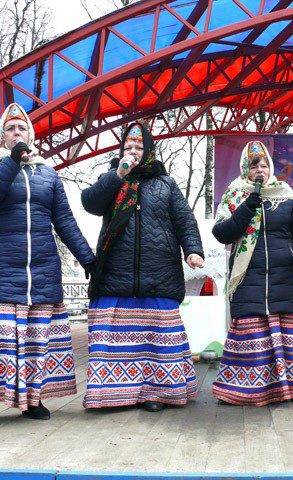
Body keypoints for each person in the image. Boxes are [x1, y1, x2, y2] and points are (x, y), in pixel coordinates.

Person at [0, 103, 95, 423]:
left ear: (30, 135)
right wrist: (11, 162)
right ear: (1, 137)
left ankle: (32, 400)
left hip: (42, 270)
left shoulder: (48, 174)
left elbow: (65, 221)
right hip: (1, 268)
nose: (17, 133)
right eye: (11, 129)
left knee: (36, 340)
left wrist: (88, 258)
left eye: (22, 129)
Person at [81, 122, 204, 412]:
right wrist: (118, 174)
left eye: (138, 147)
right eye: (128, 147)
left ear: (148, 151)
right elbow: (91, 203)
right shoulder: (111, 178)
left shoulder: (166, 184)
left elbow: (184, 220)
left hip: (158, 272)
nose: (133, 152)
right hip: (115, 272)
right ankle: (113, 394)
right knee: (115, 338)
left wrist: (192, 250)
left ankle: (157, 393)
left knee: (156, 339)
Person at [211, 140, 293, 406]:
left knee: (284, 330)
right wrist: (248, 206)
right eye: (253, 166)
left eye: (264, 165)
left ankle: (287, 388)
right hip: (248, 278)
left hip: (284, 278)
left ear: (270, 167)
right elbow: (222, 233)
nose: (260, 170)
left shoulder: (286, 195)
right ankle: (247, 391)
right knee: (252, 330)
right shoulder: (234, 195)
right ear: (245, 169)